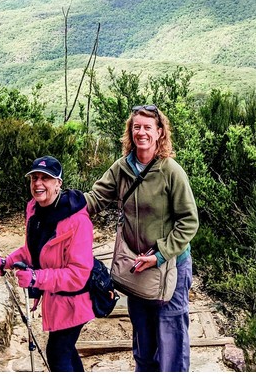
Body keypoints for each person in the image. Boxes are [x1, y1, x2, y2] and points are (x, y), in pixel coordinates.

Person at [84, 105, 199, 372]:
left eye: (148, 127)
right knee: (143, 338)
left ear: (160, 132)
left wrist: (158, 255)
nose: (141, 132)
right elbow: (95, 199)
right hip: (137, 266)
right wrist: (60, 203)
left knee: (171, 335)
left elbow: (189, 221)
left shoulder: (171, 171)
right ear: (130, 131)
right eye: (137, 127)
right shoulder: (122, 168)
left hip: (170, 266)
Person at [0, 155, 94, 372]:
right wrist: (7, 262)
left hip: (75, 300)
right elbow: (32, 251)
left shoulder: (78, 220)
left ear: (58, 183)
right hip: (55, 299)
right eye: (34, 178)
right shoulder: (35, 211)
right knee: (65, 349)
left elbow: (78, 274)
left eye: (45, 178)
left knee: (57, 352)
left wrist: (37, 278)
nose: (38, 184)